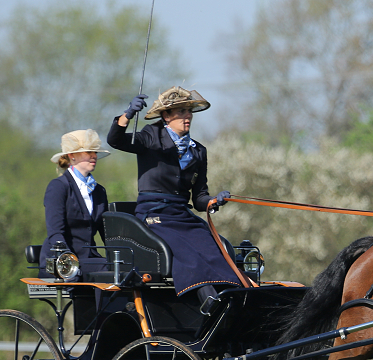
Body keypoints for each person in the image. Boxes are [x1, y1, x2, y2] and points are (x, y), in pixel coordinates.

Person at [107, 86, 243, 313]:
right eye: (180, 111)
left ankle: (234, 302)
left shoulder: (198, 151)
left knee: (216, 250)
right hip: (154, 215)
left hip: (181, 215)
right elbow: (115, 140)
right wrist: (128, 114)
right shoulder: (151, 136)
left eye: (189, 111)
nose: (187, 116)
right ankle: (211, 307)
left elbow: (199, 197)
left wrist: (213, 202)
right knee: (189, 254)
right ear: (166, 116)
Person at [39, 129, 111, 279]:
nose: (94, 156)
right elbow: (55, 231)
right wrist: (67, 256)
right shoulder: (58, 186)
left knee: (121, 269)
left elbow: (107, 233)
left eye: (95, 152)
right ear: (72, 156)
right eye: (88, 152)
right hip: (62, 260)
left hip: (88, 258)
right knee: (106, 270)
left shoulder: (99, 191)